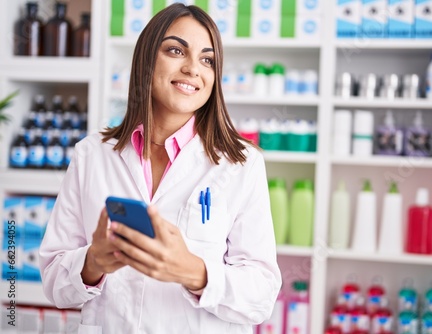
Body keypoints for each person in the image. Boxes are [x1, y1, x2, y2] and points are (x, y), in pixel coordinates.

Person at [39, 3, 282, 333]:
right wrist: (92, 262)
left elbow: (262, 295)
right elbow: (54, 282)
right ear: (146, 60)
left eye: (207, 59)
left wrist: (194, 271)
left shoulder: (241, 164)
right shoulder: (91, 154)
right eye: (175, 50)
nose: (193, 69)